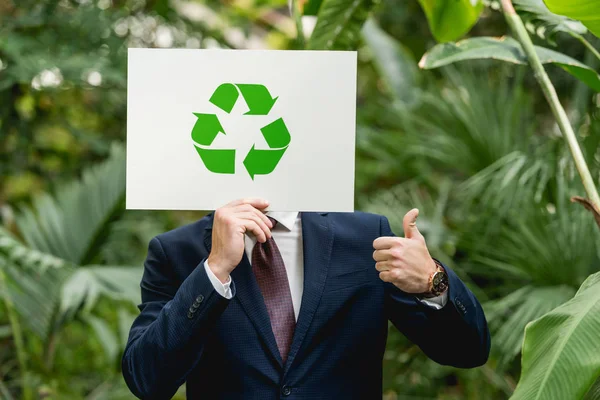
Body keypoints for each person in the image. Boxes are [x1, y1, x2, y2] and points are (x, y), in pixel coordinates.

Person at [122, 198, 490, 399]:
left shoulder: (366, 235)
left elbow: (468, 350)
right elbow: (146, 380)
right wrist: (214, 269)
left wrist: (432, 281)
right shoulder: (175, 251)